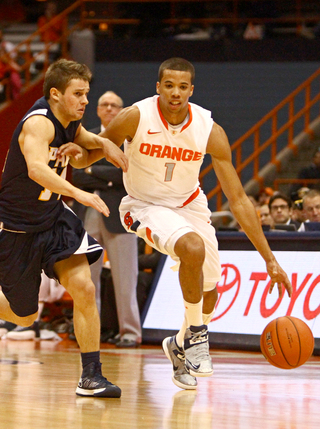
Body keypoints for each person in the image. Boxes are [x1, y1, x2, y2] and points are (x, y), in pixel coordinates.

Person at [59, 57, 292, 391]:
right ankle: (198, 337)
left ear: (191, 90)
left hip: (189, 204)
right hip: (142, 205)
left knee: (210, 290)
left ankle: (180, 344)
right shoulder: (136, 117)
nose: (175, 93)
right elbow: (92, 153)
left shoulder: (209, 130)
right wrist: (75, 154)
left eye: (183, 87)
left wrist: (269, 259)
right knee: (191, 247)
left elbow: (239, 199)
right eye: (169, 85)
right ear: (158, 87)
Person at [0, 58, 128, 397]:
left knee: (84, 288)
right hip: (17, 226)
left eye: (87, 93)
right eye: (79, 94)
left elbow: (84, 150)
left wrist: (105, 145)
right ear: (55, 94)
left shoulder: (71, 121)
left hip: (53, 218)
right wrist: (79, 193)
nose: (86, 100)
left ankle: (91, 376)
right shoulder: (39, 124)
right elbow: (37, 171)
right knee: (23, 317)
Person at [72, 91, 141, 348]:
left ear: (122, 111)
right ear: (98, 109)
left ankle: (130, 333)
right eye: (105, 105)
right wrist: (107, 174)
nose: (110, 109)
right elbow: (77, 176)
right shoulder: (87, 135)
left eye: (115, 105)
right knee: (87, 279)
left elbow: (128, 175)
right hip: (88, 213)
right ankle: (91, 333)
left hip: (121, 214)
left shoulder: (131, 139)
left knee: (126, 277)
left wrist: (92, 170)